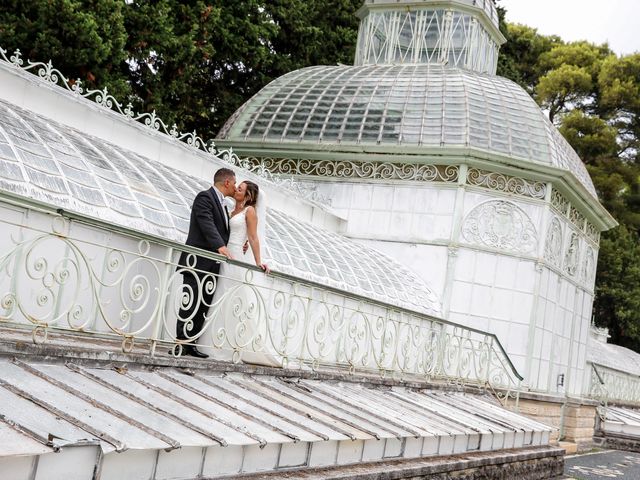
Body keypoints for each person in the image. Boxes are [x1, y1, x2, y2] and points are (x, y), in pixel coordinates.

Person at [199, 180, 280, 366]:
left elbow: (253, 237)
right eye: (237, 187)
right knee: (220, 297)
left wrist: (259, 262)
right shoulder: (230, 210)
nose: (236, 189)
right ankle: (214, 342)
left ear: (248, 196)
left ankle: (230, 344)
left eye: (240, 189)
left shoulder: (249, 212)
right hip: (225, 256)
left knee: (233, 299)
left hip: (236, 259)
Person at [175, 168, 236, 358]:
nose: (235, 187)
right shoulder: (204, 197)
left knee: (203, 305)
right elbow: (206, 222)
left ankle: (192, 344)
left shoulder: (225, 206)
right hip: (197, 261)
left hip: (212, 265)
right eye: (234, 183)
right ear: (226, 182)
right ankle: (180, 344)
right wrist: (220, 246)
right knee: (190, 303)